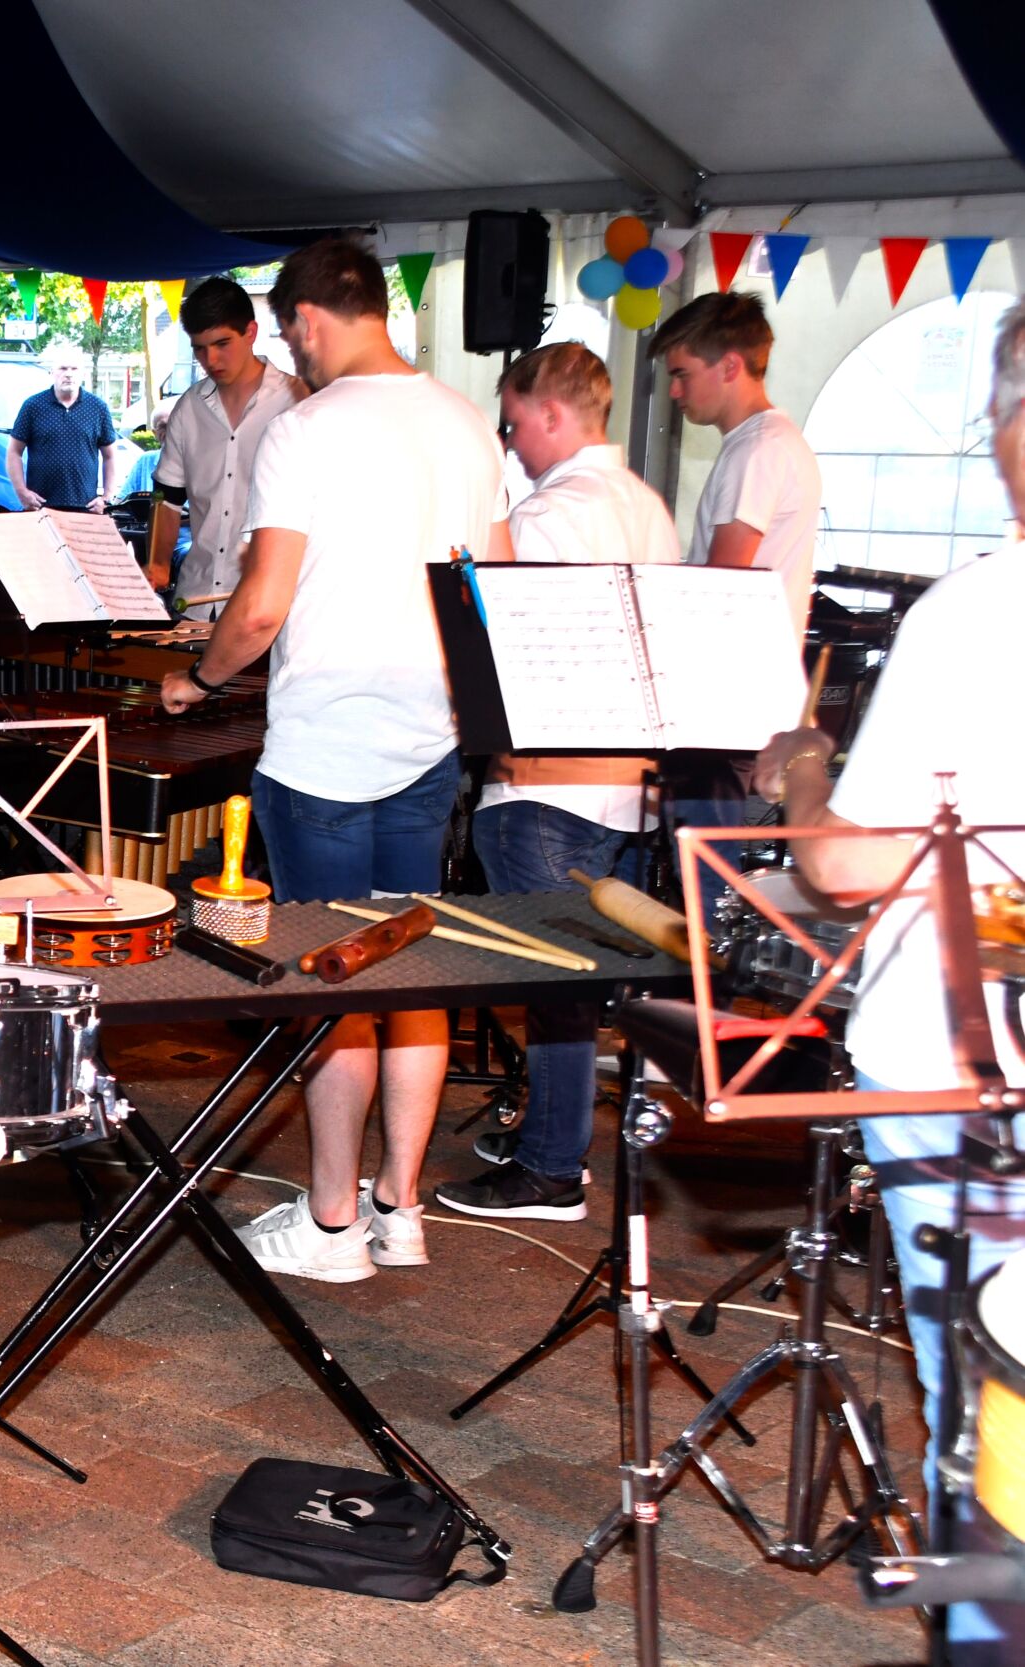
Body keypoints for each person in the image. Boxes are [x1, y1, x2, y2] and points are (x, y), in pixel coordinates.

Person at [746, 299, 1025, 1664]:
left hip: (970, 1077)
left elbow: (851, 866)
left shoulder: (982, 609)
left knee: (987, 1428)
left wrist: (804, 767)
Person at [159, 237, 511, 1283]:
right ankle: (399, 1207)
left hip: (323, 749)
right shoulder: (466, 421)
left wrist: (198, 682)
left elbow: (260, 607)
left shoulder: (305, 428)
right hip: (427, 738)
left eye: (289, 335)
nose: (293, 354)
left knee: (331, 981)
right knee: (408, 964)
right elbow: (491, 589)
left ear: (306, 320)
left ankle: (329, 1223)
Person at [429, 344, 681, 1222]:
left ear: (549, 412)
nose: (511, 443)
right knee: (578, 976)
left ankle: (550, 1167)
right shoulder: (648, 504)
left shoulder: (545, 517)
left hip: (548, 782)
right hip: (627, 782)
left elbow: (508, 655)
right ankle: (550, 1134)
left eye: (512, 423)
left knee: (555, 985)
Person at [652, 291, 827, 860]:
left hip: (724, 699)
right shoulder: (776, 441)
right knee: (705, 870)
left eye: (682, 374)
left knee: (702, 878)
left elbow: (719, 588)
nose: (675, 392)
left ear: (729, 366)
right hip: (744, 693)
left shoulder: (757, 450)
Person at [147, 278, 306, 619]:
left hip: (271, 605)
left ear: (251, 332)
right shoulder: (188, 408)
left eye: (222, 343)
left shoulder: (298, 401)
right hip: (195, 599)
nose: (211, 359)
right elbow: (166, 499)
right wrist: (158, 564)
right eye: (199, 348)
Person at [7, 340, 127, 513]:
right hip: (40, 506)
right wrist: (22, 493)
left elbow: (110, 456)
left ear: (82, 373)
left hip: (86, 508)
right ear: (52, 372)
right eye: (63, 368)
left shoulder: (98, 408)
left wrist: (107, 498)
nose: (68, 374)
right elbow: (14, 452)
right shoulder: (33, 406)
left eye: (74, 369)